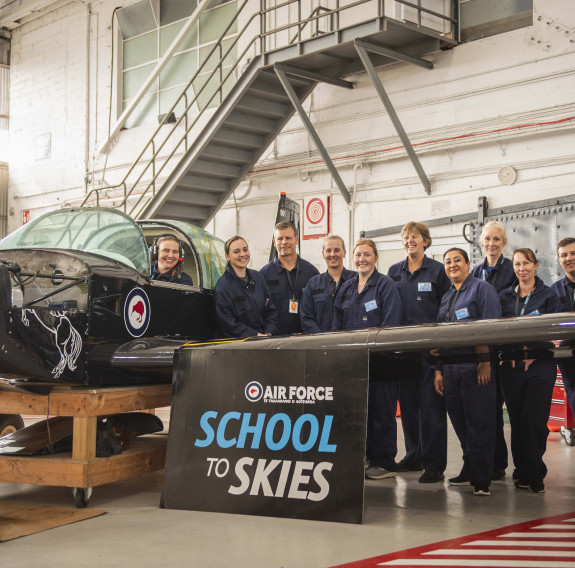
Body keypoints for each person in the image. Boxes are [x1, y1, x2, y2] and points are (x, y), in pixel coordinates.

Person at [332, 238, 402, 480]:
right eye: (358, 255)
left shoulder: (385, 286)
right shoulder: (347, 287)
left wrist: (376, 351)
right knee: (359, 412)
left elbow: (391, 324)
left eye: (367, 255)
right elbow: (337, 324)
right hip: (354, 361)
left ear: (375, 258)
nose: (362, 259)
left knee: (381, 413)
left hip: (380, 362)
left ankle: (385, 463)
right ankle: (365, 458)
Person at [388, 222, 451, 483]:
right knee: (410, 409)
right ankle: (414, 455)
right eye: (405, 237)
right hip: (403, 352)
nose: (409, 240)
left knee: (431, 408)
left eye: (415, 236)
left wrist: (441, 346)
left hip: (430, 351)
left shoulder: (438, 271)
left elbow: (447, 306)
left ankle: (434, 464)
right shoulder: (394, 271)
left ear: (425, 240)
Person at [434, 248, 501, 496]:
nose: (452, 265)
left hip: (475, 366)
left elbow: (489, 327)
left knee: (479, 423)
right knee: (460, 423)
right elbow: (440, 334)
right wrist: (438, 370)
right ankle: (470, 467)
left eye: (457, 260)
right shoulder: (447, 296)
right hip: (451, 368)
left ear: (468, 264)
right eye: (448, 262)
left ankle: (481, 479)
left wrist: (485, 361)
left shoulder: (482, 289)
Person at [499, 248, 562, 493]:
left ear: (535, 265)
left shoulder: (547, 295)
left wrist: (532, 349)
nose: (521, 268)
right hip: (512, 367)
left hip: (540, 365)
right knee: (517, 422)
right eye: (517, 264)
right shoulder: (505, 296)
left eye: (526, 263)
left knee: (535, 421)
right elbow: (500, 330)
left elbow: (553, 327)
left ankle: (535, 473)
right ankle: (521, 470)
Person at [470, 221, 514, 481]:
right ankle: (495, 463)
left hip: (506, 349)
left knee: (508, 411)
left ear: (504, 243)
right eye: (487, 239)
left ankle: (514, 464)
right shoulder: (474, 272)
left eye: (497, 239)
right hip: (482, 349)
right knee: (488, 409)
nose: (492, 244)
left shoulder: (512, 270)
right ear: (481, 242)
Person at [259, 221, 319, 335]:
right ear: (274, 242)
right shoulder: (263, 275)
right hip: (273, 339)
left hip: (305, 338)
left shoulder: (311, 272)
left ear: (296, 240)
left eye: (288, 238)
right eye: (280, 238)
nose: (284, 242)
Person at [214, 236, 277, 338]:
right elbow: (227, 323)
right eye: (236, 251)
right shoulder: (223, 287)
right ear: (227, 256)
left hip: (264, 340)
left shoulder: (258, 278)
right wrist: (255, 335)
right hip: (239, 346)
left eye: (245, 249)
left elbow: (270, 310)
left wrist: (268, 333)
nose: (242, 254)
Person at [300, 235, 356, 333]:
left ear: (344, 253)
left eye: (337, 250)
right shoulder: (313, 284)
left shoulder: (356, 280)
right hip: (320, 343)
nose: (332, 254)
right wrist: (320, 338)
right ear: (323, 254)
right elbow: (306, 317)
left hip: (350, 342)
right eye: (328, 250)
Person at [550, 238, 575, 439]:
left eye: (573, 253)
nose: (569, 258)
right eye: (564, 255)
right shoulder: (554, 291)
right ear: (559, 260)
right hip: (570, 356)